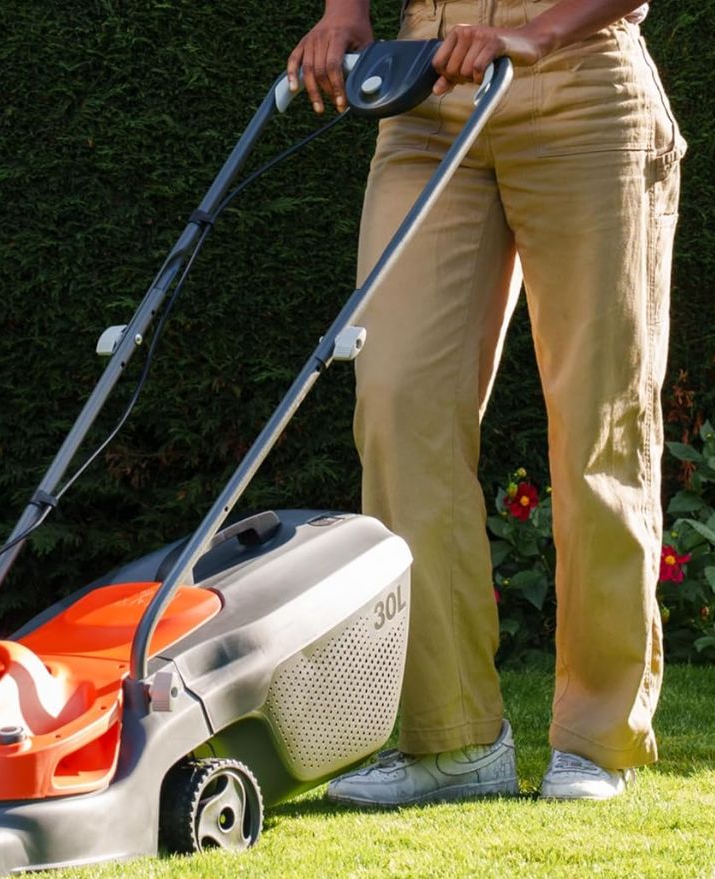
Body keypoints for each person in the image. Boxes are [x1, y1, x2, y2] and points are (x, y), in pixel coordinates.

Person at [287, 0, 685, 804]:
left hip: (581, 78)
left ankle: (596, 739)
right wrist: (344, 12)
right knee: (398, 401)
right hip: (427, 84)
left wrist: (535, 34)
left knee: (599, 414)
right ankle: (453, 738)